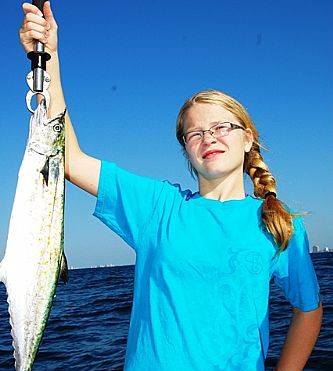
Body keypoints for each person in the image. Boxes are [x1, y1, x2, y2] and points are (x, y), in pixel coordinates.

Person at [19, 2, 322, 370]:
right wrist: (48, 59)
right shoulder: (159, 206)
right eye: (195, 133)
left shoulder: (282, 225)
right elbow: (70, 160)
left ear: (247, 139)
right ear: (186, 151)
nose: (209, 136)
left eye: (222, 126)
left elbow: (308, 308)